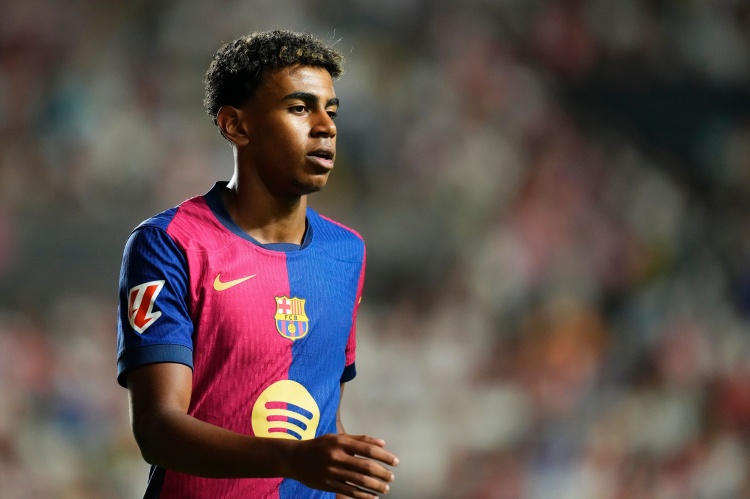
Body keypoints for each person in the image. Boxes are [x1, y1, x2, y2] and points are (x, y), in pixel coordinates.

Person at [116, 30, 399, 499]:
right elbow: (157, 428)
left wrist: (344, 474)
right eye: (300, 108)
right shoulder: (169, 243)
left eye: (331, 111)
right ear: (236, 126)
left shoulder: (347, 252)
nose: (325, 127)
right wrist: (290, 459)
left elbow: (324, 415)